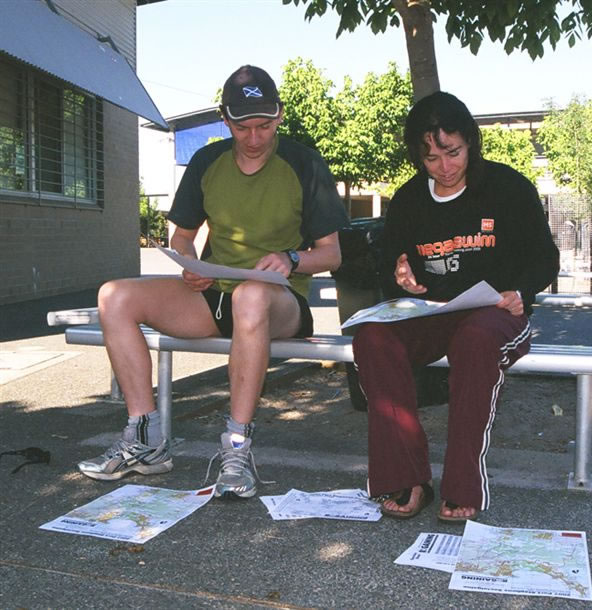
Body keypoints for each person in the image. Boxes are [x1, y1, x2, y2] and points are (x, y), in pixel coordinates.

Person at [78, 66, 348, 500]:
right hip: (215, 296)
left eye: (264, 125)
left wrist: (292, 258)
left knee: (251, 295)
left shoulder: (303, 162)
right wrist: (188, 263)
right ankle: (145, 439)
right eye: (243, 127)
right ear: (226, 120)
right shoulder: (208, 161)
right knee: (115, 296)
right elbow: (182, 237)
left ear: (279, 116)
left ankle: (237, 449)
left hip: (280, 303)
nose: (255, 137)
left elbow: (331, 253)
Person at [352, 92, 559, 522]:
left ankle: (463, 485)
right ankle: (407, 478)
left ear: (470, 142)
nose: (445, 167)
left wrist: (522, 290)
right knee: (373, 338)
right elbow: (397, 264)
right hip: (431, 313)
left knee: (476, 339)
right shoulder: (408, 200)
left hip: (496, 314)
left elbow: (545, 257)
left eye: (453, 152)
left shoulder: (507, 187)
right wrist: (401, 275)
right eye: (431, 158)